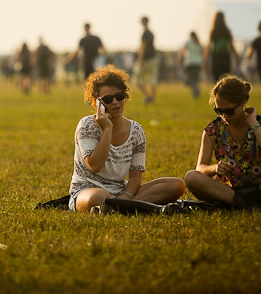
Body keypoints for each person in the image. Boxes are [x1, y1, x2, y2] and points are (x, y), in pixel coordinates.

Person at [68, 65, 185, 213]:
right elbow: (95, 165)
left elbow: (136, 175)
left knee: (176, 185)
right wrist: (107, 129)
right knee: (98, 197)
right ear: (98, 103)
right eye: (108, 99)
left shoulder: (136, 131)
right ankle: (130, 207)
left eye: (120, 96)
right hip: (86, 191)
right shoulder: (86, 125)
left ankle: (119, 207)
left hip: (122, 192)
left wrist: (127, 196)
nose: (116, 102)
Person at [184, 74, 261, 209]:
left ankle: (243, 203)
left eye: (230, 111)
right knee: (191, 177)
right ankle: (249, 203)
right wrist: (215, 168)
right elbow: (200, 168)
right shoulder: (212, 130)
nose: (224, 116)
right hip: (227, 191)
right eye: (218, 110)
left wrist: (253, 123)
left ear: (243, 102)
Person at [204, 11, 237, 82]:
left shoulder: (213, 31)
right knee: (226, 80)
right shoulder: (227, 31)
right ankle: (225, 92)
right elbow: (231, 45)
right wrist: (236, 56)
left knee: (216, 80)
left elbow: (209, 46)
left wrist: (206, 60)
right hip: (226, 57)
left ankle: (217, 93)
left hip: (216, 57)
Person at [134, 16, 159, 105]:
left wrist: (140, 58)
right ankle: (152, 97)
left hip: (145, 60)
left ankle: (148, 96)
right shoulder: (151, 33)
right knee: (153, 79)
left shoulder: (144, 33)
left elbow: (143, 46)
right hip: (153, 58)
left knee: (137, 79)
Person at [180, 31, 204, 99]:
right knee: (195, 79)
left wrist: (180, 60)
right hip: (198, 63)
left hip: (190, 63)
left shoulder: (188, 42)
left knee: (190, 79)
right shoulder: (199, 43)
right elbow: (202, 53)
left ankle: (195, 92)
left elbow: (183, 51)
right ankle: (196, 92)